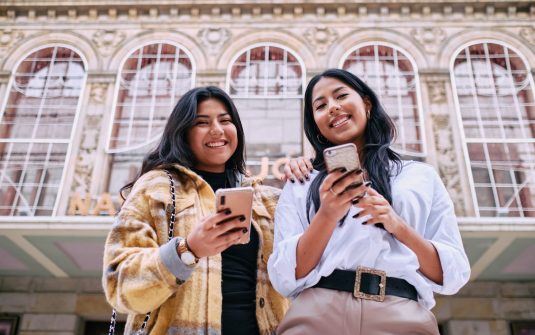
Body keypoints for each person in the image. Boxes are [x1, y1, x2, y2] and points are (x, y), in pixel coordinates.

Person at [267, 69, 471, 335]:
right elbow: (285, 276)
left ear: (366, 103)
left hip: (402, 314)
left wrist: (397, 225)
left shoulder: (420, 176)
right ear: (314, 122)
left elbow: (452, 273)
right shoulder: (301, 182)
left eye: (340, 96)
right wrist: (327, 215)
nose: (333, 107)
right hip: (318, 313)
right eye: (320, 105)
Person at [103, 86, 294, 335]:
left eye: (225, 120)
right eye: (202, 122)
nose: (217, 129)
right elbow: (120, 284)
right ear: (183, 133)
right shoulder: (156, 187)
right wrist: (188, 250)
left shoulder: (268, 200)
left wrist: (303, 185)